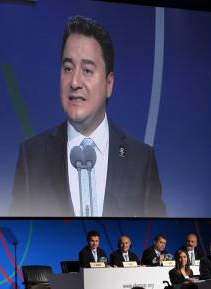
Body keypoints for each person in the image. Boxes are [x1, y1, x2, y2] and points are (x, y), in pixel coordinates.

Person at [9, 15, 166, 217]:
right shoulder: (32, 157)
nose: (74, 81)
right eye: (68, 68)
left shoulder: (141, 159)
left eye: (87, 70)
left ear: (109, 83)